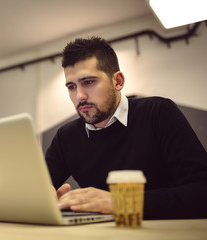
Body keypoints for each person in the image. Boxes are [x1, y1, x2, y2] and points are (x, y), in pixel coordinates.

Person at [45, 37, 207, 219]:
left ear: (118, 81)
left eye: (88, 82)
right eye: (71, 86)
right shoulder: (66, 137)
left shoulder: (158, 112)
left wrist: (120, 202)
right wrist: (44, 198)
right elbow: (39, 187)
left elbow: (202, 191)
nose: (79, 96)